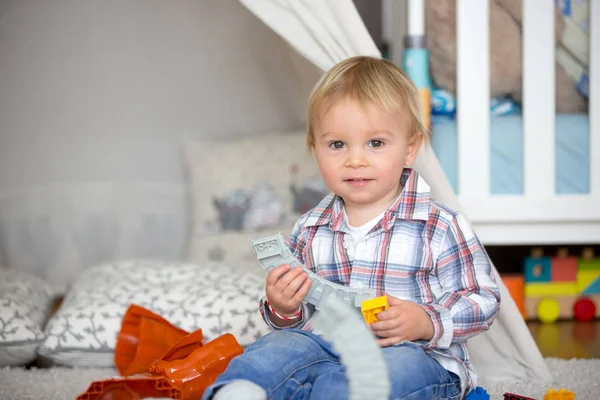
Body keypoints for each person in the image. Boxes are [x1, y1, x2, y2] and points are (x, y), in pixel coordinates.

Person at [202, 56, 501, 400]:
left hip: (409, 352)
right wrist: (284, 308)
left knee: (397, 373)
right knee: (273, 350)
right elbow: (300, 317)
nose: (355, 159)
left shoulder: (438, 224)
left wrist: (426, 320)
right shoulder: (311, 227)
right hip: (325, 346)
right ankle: (242, 390)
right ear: (315, 149)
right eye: (337, 144)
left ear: (410, 148)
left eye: (375, 143)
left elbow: (483, 297)